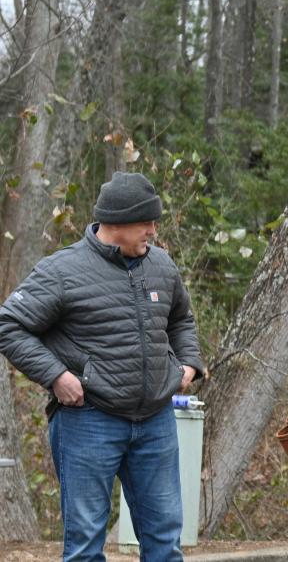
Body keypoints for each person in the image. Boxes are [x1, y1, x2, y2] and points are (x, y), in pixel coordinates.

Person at [0, 171, 204, 562]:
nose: (153, 231)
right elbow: (9, 325)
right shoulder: (61, 271)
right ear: (118, 223)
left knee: (165, 542)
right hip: (88, 420)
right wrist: (56, 376)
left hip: (156, 421)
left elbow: (182, 320)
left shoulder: (161, 264)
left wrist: (189, 363)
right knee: (84, 548)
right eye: (146, 222)